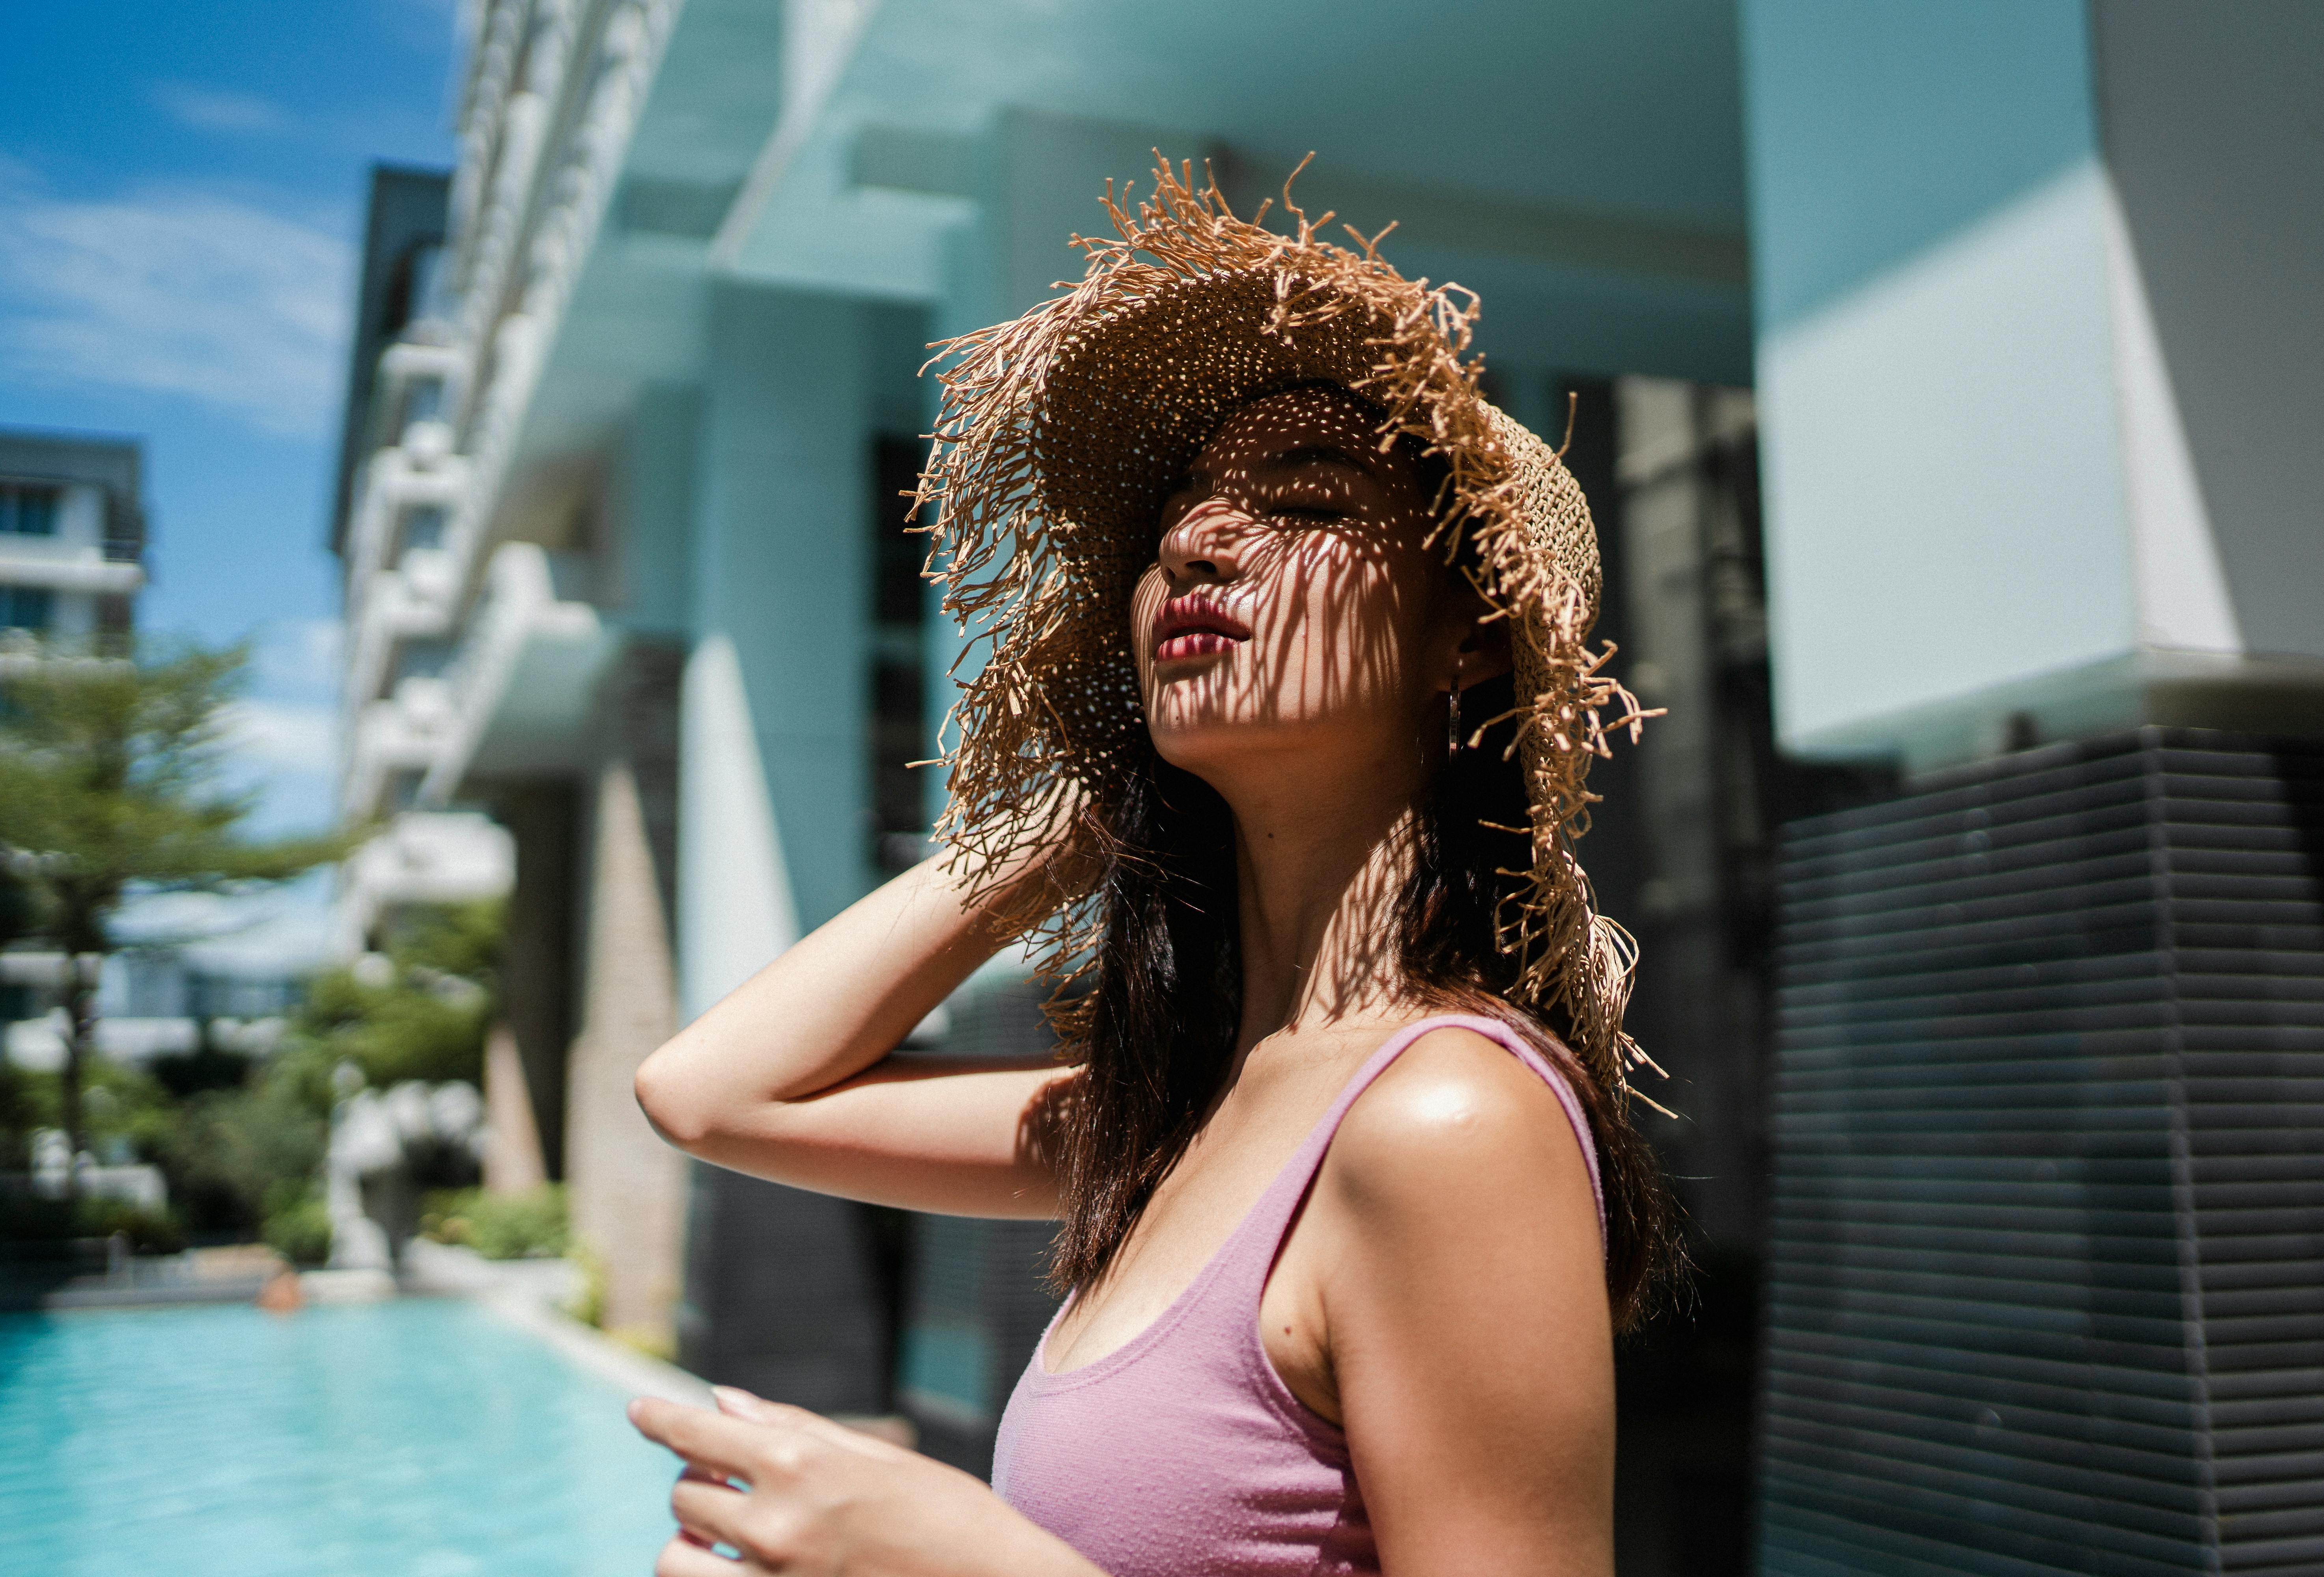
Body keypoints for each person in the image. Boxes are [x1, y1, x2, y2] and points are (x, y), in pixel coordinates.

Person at [626, 157, 1678, 1577]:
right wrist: (1080, 806)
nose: (1193, 538)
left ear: (1472, 635)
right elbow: (710, 1093)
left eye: (1306, 499)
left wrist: (965, 1558)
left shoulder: (1445, 1119)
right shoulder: (1174, 1120)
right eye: (1179, 509)